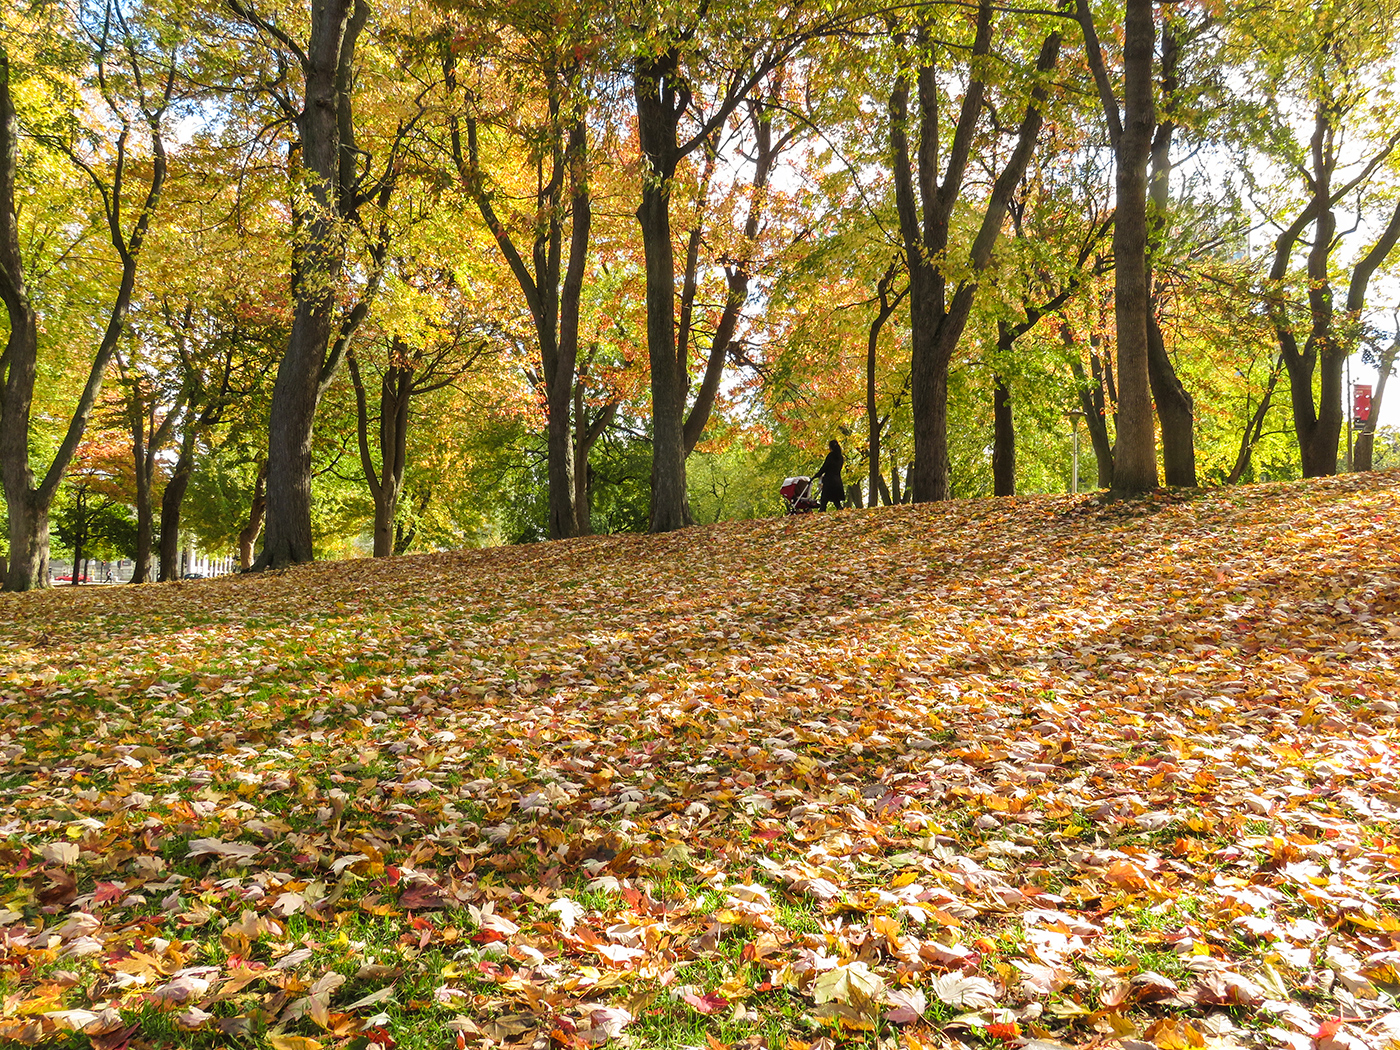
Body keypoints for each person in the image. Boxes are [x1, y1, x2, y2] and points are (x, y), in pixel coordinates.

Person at [812, 439, 845, 511]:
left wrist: (816, 475)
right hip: (837, 480)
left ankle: (821, 513)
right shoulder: (841, 458)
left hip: (829, 480)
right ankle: (840, 510)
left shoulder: (831, 456)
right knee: (836, 499)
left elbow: (825, 467)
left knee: (824, 499)